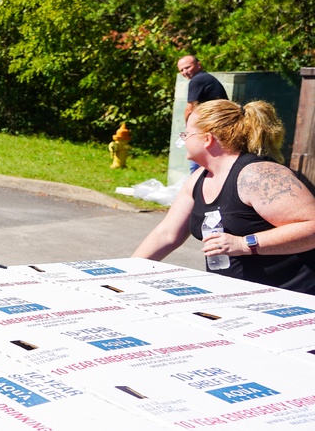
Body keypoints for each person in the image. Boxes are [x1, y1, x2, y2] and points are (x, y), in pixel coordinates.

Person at [133, 99, 315, 294]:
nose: (183, 140)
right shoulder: (199, 178)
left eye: (186, 133)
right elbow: (167, 234)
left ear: (207, 139)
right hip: (237, 298)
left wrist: (244, 244)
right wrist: (128, 271)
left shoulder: (258, 175)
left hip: (294, 301)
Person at [178, 55, 228, 172]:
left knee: (197, 163)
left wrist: (188, 129)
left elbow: (189, 109)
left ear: (198, 65)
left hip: (211, 126)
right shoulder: (205, 77)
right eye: (181, 70)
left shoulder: (197, 80)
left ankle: (196, 187)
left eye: (187, 67)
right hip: (219, 124)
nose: (185, 72)